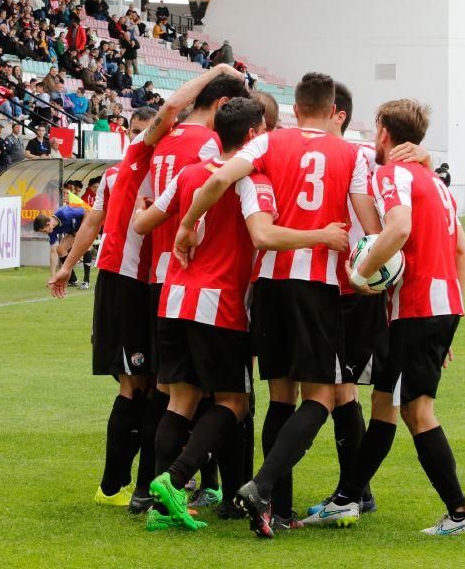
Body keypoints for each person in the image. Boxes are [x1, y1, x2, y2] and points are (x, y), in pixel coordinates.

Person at [173, 73, 380, 538]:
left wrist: (188, 224)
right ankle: (262, 486)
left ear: (295, 107)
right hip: (315, 287)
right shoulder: (350, 154)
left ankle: (277, 511)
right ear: (333, 111)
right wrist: (375, 270)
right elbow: (368, 223)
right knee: (323, 396)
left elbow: (220, 177)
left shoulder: (268, 143)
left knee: (280, 397)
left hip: (267, 285)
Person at [131, 95, 343, 532]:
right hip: (218, 302)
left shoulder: (191, 175)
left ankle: (160, 506)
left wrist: (178, 225)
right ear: (252, 135)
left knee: (181, 399)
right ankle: (175, 479)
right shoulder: (252, 179)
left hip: (173, 296)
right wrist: (319, 233)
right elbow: (262, 235)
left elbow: (142, 223)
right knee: (234, 401)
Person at [46, 64, 242, 519]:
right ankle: (132, 487)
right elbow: (174, 107)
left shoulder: (156, 152)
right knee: (146, 386)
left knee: (157, 385)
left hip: (150, 277)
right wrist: (214, 70)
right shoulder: (163, 149)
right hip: (133, 277)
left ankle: (148, 486)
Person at [302, 98, 465, 537]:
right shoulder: (437, 184)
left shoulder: (391, 174)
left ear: (382, 132)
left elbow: (397, 229)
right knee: (384, 408)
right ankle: (346, 500)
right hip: (438, 308)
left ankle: (459, 513)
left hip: (416, 308)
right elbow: (463, 254)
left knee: (417, 413)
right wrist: (447, 321)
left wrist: (361, 274)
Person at [33, 204, 88, 288]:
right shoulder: (52, 231)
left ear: (48, 224)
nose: (46, 233)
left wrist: (83, 230)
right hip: (73, 231)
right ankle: (73, 280)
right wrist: (52, 277)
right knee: (60, 250)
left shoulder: (64, 213)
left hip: (87, 224)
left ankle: (86, 281)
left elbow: (85, 212)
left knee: (85, 248)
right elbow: (53, 252)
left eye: (44, 231)